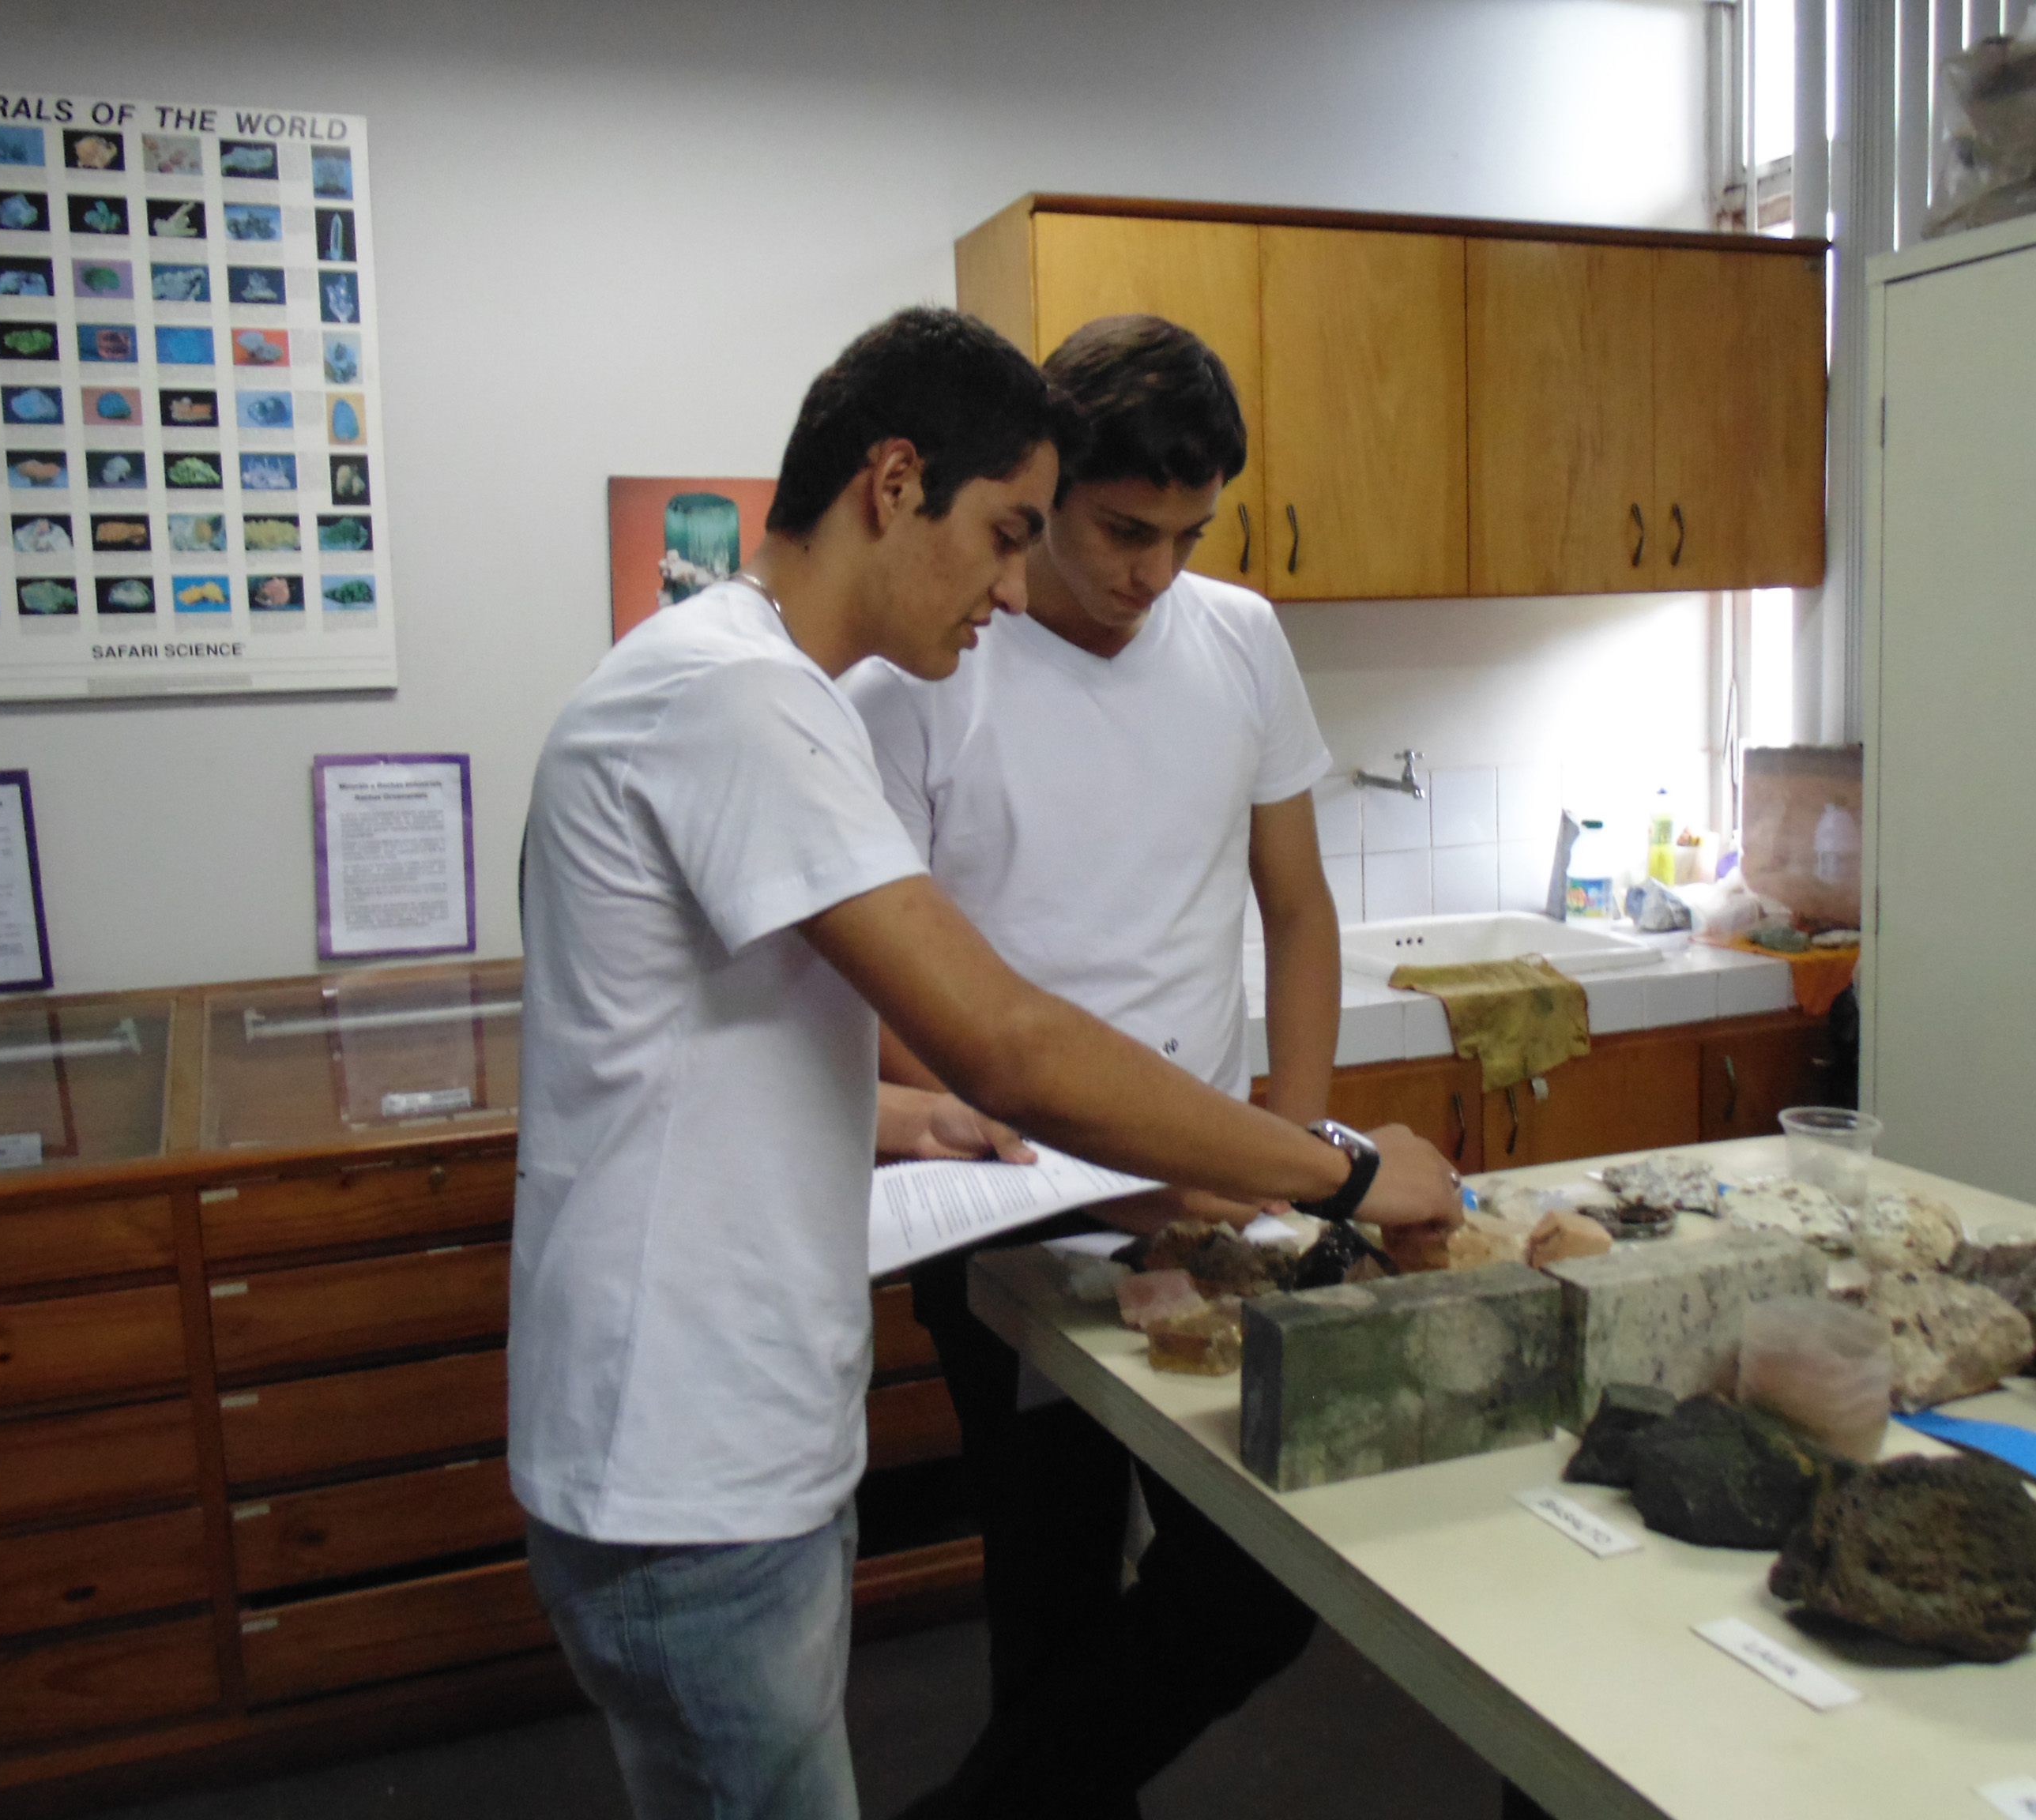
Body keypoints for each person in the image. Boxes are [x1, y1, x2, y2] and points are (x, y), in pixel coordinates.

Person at [512, 306, 1462, 1820]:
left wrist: (905, 1119)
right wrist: (1333, 1170)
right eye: (1012, 535)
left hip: (730, 1433)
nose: (1016, 590)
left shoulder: (745, 683)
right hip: (686, 1449)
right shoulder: (737, 701)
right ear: (896, 484)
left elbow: (729, 1042)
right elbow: (1007, 1041)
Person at [848, 314, 1342, 1820]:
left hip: (1208, 1195)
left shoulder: (1240, 640)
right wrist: (1022, 1147)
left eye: (1190, 537)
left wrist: (1295, 1149)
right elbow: (881, 990)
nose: (1155, 574)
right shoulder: (924, 675)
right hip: (1006, 1207)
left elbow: (1298, 908)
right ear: (1045, 488)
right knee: (1051, 1594)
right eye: (1125, 531)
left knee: (1262, 1578)